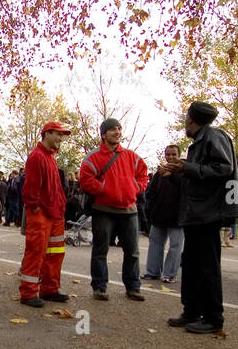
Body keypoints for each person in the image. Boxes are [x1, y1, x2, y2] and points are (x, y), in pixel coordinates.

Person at [166, 102, 238, 333]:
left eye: (186, 119)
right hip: (197, 213)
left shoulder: (214, 136)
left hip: (209, 213)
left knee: (207, 265)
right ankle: (191, 311)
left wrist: (187, 167)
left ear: (193, 120)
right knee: (191, 264)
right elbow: (197, 178)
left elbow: (223, 168)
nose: (185, 124)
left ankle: (213, 318)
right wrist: (177, 172)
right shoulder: (199, 141)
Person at [80, 118, 150, 301]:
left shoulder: (131, 156)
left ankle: (133, 287)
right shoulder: (92, 157)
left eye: (119, 129)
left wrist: (135, 187)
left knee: (132, 251)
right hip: (103, 209)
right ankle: (99, 287)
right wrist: (104, 189)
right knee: (100, 250)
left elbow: (144, 175)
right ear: (103, 134)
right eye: (112, 130)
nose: (117, 132)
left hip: (129, 210)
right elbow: (86, 179)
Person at [19, 121, 72, 307]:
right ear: (47, 134)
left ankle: (50, 289)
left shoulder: (49, 156)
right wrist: (35, 208)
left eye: (62, 135)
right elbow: (30, 189)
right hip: (42, 213)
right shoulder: (37, 156)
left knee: (55, 253)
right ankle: (28, 293)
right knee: (36, 251)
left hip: (55, 213)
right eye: (58, 134)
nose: (61, 138)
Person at [144, 144, 185, 285]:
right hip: (159, 214)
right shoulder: (159, 173)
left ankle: (169, 274)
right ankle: (152, 271)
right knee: (155, 244)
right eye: (168, 154)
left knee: (175, 246)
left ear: (179, 155)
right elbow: (150, 192)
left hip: (177, 217)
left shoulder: (184, 173)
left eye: (174, 154)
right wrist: (150, 209)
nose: (171, 157)